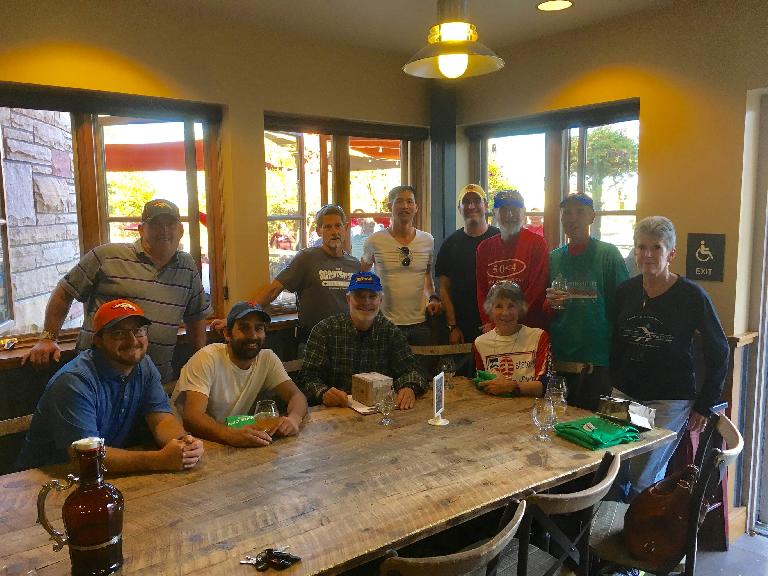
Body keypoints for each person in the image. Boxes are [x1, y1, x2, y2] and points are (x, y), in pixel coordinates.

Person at [22, 199, 211, 387]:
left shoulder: (187, 267)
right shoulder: (106, 256)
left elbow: (196, 317)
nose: (164, 231)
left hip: (153, 385)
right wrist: (48, 337)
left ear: (180, 230)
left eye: (170, 224)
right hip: (96, 381)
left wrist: (199, 364)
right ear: (141, 229)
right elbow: (64, 292)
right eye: (156, 224)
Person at [611, 216, 728, 500]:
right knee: (614, 469)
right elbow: (615, 341)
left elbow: (720, 349)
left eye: (657, 248)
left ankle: (641, 539)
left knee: (644, 475)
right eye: (642, 247)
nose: (648, 255)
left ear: (671, 254)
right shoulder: (625, 291)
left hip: (668, 400)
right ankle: (613, 534)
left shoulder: (691, 296)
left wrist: (705, 404)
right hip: (626, 394)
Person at [15, 299, 204, 472]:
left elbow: (162, 419)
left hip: (101, 475)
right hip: (46, 480)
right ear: (98, 340)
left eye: (138, 331)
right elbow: (87, 457)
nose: (132, 341)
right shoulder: (74, 382)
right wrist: (158, 460)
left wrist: (183, 444)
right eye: (119, 334)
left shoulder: (144, 366)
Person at [172, 302, 307, 448]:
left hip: (228, 444)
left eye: (259, 328)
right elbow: (192, 417)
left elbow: (296, 396)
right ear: (227, 334)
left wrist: (294, 419)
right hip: (187, 443)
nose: (253, 336)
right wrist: (230, 435)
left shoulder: (267, 359)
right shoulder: (207, 358)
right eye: (244, 328)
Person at [545, 193, 629, 410]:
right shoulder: (554, 258)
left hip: (597, 362)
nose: (572, 218)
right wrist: (550, 303)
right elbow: (545, 307)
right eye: (567, 213)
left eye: (580, 212)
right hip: (561, 360)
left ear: (592, 216)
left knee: (593, 429)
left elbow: (623, 305)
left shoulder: (607, 254)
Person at [300, 272, 425, 410]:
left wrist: (410, 387)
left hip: (379, 413)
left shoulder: (390, 331)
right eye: (359, 296)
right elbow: (307, 377)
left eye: (372, 296)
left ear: (380, 300)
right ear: (348, 299)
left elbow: (413, 371)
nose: (366, 302)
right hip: (336, 413)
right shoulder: (324, 330)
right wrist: (323, 393)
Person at [242, 205, 359, 343]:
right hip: (314, 342)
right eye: (328, 227)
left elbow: (360, 303)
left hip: (347, 342)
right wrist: (241, 316)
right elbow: (273, 291)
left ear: (345, 229)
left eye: (338, 226)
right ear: (319, 231)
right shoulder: (306, 258)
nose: (334, 232)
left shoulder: (354, 264)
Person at [361, 185, 442, 345]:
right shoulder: (374, 241)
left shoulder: (427, 240)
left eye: (409, 201)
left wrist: (432, 297)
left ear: (416, 207)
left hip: (420, 324)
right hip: (385, 324)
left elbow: (426, 275)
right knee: (385, 371)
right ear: (389, 206)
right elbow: (362, 276)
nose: (405, 206)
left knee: (420, 370)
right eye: (399, 201)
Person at [435, 184, 499, 345]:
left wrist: (499, 322)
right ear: (459, 208)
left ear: (485, 205)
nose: (472, 206)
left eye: (477, 201)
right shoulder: (450, 244)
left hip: (498, 325)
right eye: (466, 202)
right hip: (462, 328)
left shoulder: (500, 238)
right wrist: (453, 326)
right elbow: (444, 288)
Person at [476, 189, 548, 330]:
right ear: (495, 213)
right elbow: (482, 292)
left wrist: (508, 322)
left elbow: (537, 290)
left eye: (515, 209)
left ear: (523, 212)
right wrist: (491, 323)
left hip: (528, 329)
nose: (509, 215)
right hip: (496, 329)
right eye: (504, 210)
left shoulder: (537, 244)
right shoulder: (484, 248)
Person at [474, 282, 549, 397]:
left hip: (532, 409)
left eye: (511, 306)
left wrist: (513, 387)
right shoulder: (480, 343)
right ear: (490, 310)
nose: (505, 313)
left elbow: (544, 386)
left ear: (520, 309)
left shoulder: (538, 337)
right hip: (495, 409)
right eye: (499, 306)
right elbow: (480, 384)